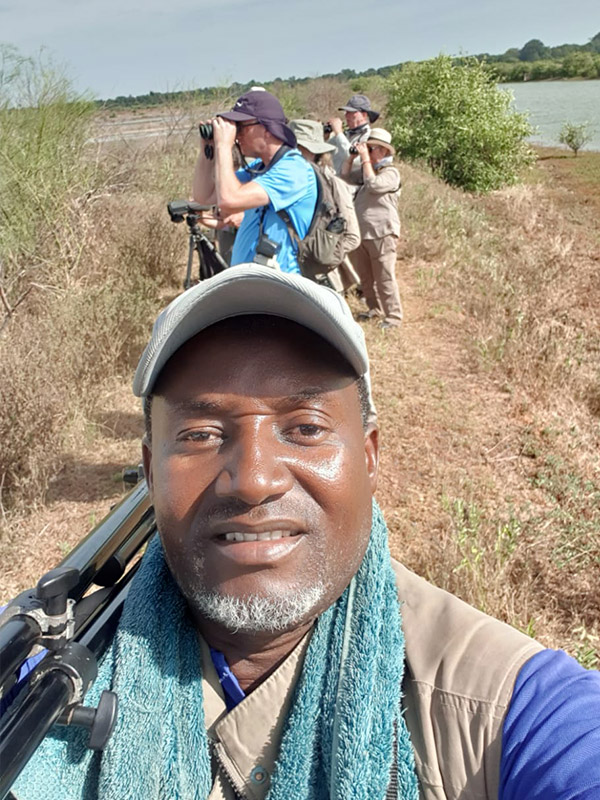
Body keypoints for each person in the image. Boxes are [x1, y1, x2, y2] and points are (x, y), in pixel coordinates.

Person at [12, 267, 600, 799]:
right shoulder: (41, 681)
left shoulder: (502, 705)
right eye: (199, 434)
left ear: (368, 457)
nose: (253, 480)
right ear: (148, 471)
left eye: (305, 427)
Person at [192, 89, 317, 274]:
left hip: (281, 286)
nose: (237, 135)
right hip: (253, 283)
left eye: (242, 127)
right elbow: (203, 196)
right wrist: (207, 150)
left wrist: (223, 145)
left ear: (267, 129)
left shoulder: (293, 169)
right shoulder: (260, 168)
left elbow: (229, 200)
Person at [289, 118, 361, 292]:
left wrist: (324, 253)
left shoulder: (333, 184)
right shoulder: (281, 182)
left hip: (321, 280)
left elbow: (353, 237)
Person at [341, 128, 403, 329]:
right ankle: (374, 309)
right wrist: (351, 158)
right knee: (365, 278)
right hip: (363, 233)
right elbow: (343, 178)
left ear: (384, 151)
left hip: (382, 232)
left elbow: (374, 185)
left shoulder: (391, 173)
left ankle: (393, 317)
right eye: (366, 147)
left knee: (384, 277)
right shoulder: (369, 170)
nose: (367, 151)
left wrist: (365, 159)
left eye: (371, 148)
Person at [326, 93, 380, 175]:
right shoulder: (345, 134)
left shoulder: (369, 136)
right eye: (346, 112)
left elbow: (354, 160)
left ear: (364, 115)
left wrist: (339, 133)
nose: (347, 115)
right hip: (335, 182)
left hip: (352, 184)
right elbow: (324, 150)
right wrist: (325, 136)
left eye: (351, 112)